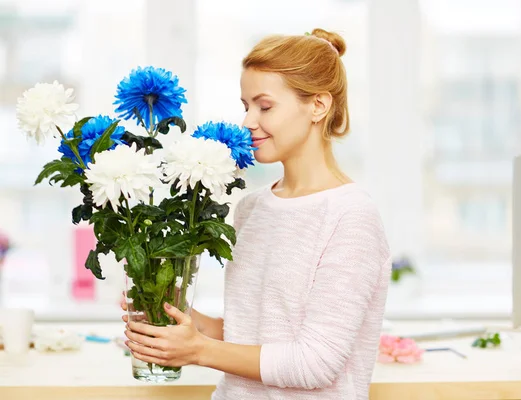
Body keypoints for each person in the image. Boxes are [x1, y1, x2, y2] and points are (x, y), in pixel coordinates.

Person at [123, 28, 392, 399]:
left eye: (264, 106)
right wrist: (175, 317)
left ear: (318, 105)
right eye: (245, 105)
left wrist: (198, 350)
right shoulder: (252, 208)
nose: (248, 121)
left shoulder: (351, 217)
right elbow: (249, 335)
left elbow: (315, 362)